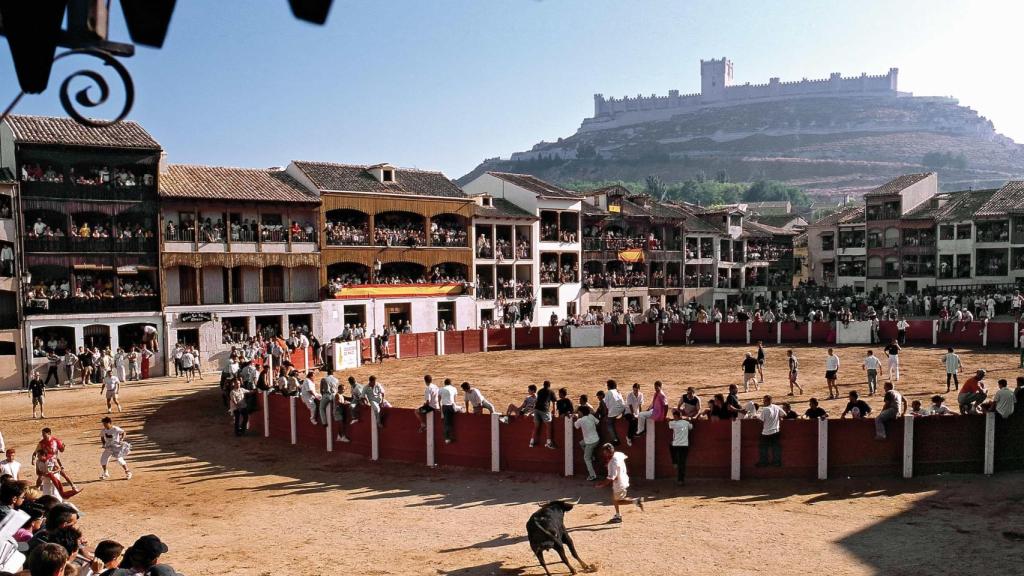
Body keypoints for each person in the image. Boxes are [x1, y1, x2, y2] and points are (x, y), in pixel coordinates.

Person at [594, 443, 643, 524]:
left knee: (617, 501)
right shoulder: (618, 454)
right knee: (614, 499)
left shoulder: (612, 463)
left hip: (619, 484)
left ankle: (635, 501)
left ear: (607, 452)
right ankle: (618, 515)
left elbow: (611, 477)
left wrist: (602, 484)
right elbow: (624, 457)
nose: (604, 454)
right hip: (623, 479)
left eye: (605, 452)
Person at [574, 405, 601, 481]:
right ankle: (592, 456)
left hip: (590, 442)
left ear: (581, 412)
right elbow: (598, 423)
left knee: (586, 458)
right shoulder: (591, 416)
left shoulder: (580, 420)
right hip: (596, 439)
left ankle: (593, 476)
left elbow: (576, 426)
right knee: (581, 443)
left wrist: (577, 417)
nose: (578, 413)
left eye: (579, 412)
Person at [756, 395, 784, 467]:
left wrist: (756, 417)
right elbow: (784, 414)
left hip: (766, 433)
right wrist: (777, 417)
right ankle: (777, 463)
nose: (763, 402)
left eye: (764, 400)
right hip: (776, 431)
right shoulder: (776, 407)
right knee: (776, 448)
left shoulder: (765, 409)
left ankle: (764, 463)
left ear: (768, 401)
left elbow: (761, 421)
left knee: (763, 448)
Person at [667, 408, 693, 485]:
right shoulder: (685, 423)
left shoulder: (673, 423)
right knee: (682, 463)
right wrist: (689, 420)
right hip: (685, 445)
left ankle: (674, 462)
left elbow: (668, 423)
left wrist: (669, 420)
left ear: (676, 416)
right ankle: (680, 480)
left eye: (674, 416)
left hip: (676, 445)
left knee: (671, 445)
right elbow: (691, 427)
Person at [531, 380, 556, 449]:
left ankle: (531, 442)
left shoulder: (539, 391)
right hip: (544, 409)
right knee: (548, 425)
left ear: (543, 385)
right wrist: (553, 410)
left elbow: (537, 401)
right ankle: (548, 443)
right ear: (549, 385)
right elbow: (554, 402)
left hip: (536, 409)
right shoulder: (551, 391)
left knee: (536, 426)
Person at [602, 380, 626, 445]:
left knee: (609, 424)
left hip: (614, 411)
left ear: (609, 386)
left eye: (607, 385)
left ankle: (615, 439)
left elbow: (604, 404)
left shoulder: (608, 392)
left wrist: (606, 414)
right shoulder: (618, 391)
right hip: (623, 409)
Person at [438, 378, 459, 444]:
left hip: (445, 407)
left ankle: (447, 438)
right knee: (451, 422)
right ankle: (449, 437)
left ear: (445, 383)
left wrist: (440, 408)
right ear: (450, 383)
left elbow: (439, 400)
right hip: (452, 406)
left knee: (447, 423)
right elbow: (455, 400)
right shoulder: (454, 388)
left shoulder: (441, 389)